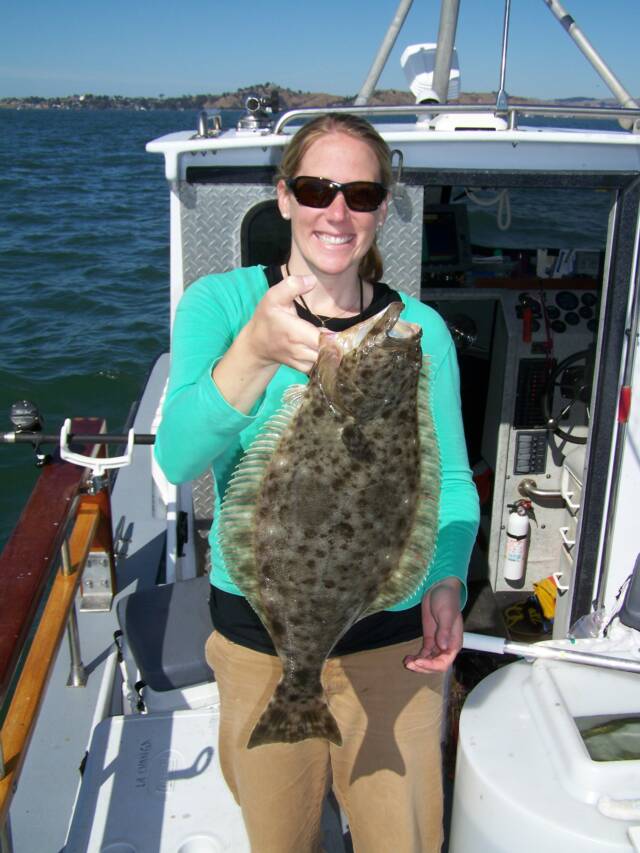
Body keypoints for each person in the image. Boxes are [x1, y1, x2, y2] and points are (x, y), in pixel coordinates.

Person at [154, 112, 479, 853]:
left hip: (392, 643)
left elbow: (452, 482)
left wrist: (446, 578)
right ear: (284, 197)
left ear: (382, 208)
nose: (337, 211)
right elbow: (176, 460)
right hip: (262, 645)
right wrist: (257, 350)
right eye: (315, 189)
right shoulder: (223, 306)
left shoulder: (417, 332)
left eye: (360, 194)